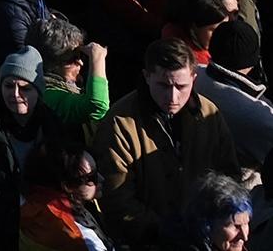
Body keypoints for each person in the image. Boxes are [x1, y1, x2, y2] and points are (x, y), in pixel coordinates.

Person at [96, 39, 241, 246]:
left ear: (194, 78)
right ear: (146, 77)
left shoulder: (209, 114)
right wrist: (161, 229)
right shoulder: (119, 124)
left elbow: (229, 175)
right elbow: (116, 199)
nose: (172, 97)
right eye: (163, 85)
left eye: (181, 86)